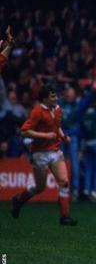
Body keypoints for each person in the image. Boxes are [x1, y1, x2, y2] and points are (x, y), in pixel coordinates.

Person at [10, 84, 78, 225]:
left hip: (55, 150)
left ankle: (65, 216)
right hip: (39, 153)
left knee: (64, 182)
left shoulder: (58, 110)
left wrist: (64, 137)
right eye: (53, 96)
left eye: (56, 95)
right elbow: (24, 131)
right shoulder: (37, 112)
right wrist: (45, 135)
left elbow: (57, 127)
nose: (56, 98)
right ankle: (19, 199)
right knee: (40, 187)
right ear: (44, 98)